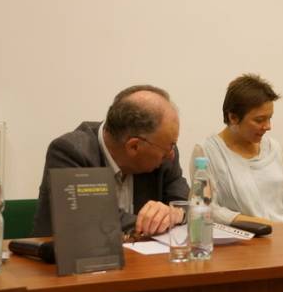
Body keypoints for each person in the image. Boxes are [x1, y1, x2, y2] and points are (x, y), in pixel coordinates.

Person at [32, 85, 190, 237]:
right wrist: (155, 222)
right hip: (69, 255)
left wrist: (177, 213)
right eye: (169, 146)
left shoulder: (163, 156)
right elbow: (94, 221)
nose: (171, 154)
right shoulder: (70, 152)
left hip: (141, 255)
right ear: (134, 146)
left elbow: (190, 205)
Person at [192, 74, 283, 226]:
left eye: (270, 118)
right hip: (248, 237)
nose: (268, 126)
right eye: (259, 120)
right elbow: (206, 208)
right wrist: (264, 226)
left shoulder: (273, 148)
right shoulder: (207, 151)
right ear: (233, 117)